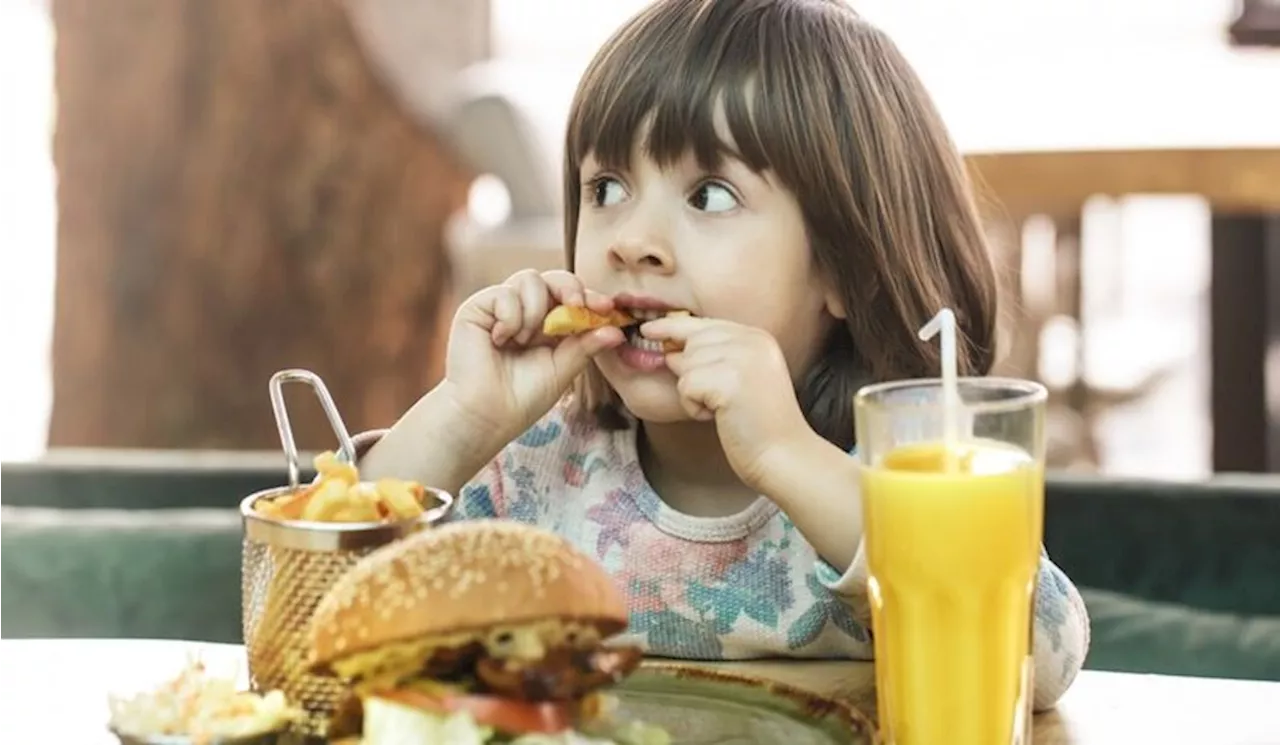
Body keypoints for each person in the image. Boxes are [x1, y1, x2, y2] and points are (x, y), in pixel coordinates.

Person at [357, 0, 1089, 710]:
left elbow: (1043, 655)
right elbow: (315, 609)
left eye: (709, 195)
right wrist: (462, 417)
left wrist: (786, 453)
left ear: (843, 268)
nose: (629, 238)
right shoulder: (535, 475)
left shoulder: (900, 477)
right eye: (606, 187)